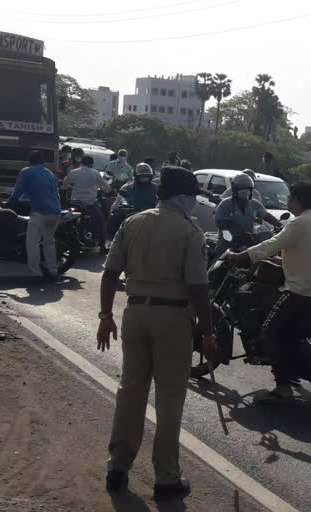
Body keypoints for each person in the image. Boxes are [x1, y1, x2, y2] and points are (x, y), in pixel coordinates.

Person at [98, 166, 215, 501]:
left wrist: (105, 316)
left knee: (130, 391)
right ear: (185, 197)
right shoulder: (190, 232)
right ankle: (166, 479)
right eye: (193, 197)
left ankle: (117, 467)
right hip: (172, 318)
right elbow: (198, 288)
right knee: (169, 399)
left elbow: (109, 275)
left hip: (134, 312)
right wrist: (207, 334)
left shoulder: (132, 222)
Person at [224, 182, 311, 402]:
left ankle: (283, 387)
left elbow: (272, 243)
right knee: (286, 331)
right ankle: (290, 370)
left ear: (297, 200)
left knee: (270, 332)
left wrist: (242, 256)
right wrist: (274, 258)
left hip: (300, 291)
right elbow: (302, 254)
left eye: (291, 197)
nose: (289, 201)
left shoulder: (298, 224)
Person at [6, 151, 62, 277]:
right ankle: (53, 270)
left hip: (40, 212)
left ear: (29, 162)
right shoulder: (50, 174)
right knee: (49, 241)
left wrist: (9, 203)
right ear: (42, 162)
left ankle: (35, 273)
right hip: (56, 212)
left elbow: (18, 191)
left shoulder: (26, 171)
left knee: (32, 243)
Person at [214, 173, 281, 255]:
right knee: (220, 257)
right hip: (228, 241)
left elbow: (267, 216)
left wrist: (279, 225)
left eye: (247, 189)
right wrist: (231, 234)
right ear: (235, 189)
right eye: (241, 188)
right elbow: (219, 222)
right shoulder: (225, 204)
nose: (245, 191)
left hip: (249, 240)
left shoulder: (254, 204)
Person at [61, 155, 111, 252]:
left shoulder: (73, 172)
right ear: (92, 163)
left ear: (82, 162)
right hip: (90, 203)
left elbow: (64, 186)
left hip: (74, 203)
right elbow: (106, 188)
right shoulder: (95, 173)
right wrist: (108, 190)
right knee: (100, 221)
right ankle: (102, 245)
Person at [108, 163, 159, 236]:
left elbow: (163, 203)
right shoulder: (127, 187)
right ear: (136, 176)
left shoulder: (157, 188)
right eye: (142, 177)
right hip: (131, 216)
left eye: (146, 177)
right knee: (114, 218)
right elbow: (116, 203)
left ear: (150, 177)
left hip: (152, 217)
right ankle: (113, 241)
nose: (144, 179)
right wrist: (117, 208)